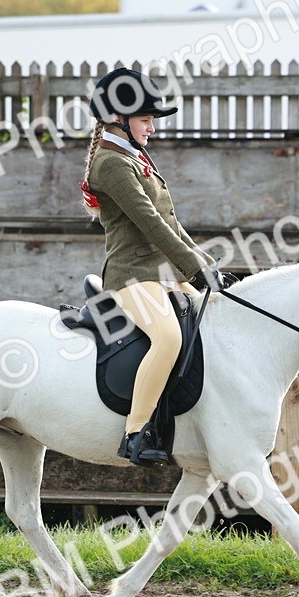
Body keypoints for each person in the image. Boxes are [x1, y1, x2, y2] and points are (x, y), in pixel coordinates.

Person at [79, 68, 231, 467]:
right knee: (167, 338)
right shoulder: (111, 164)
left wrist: (206, 266)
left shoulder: (136, 157)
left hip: (165, 275)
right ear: (118, 118)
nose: (151, 127)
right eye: (146, 119)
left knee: (217, 318)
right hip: (130, 276)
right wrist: (194, 270)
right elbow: (151, 223)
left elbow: (173, 223)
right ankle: (135, 432)